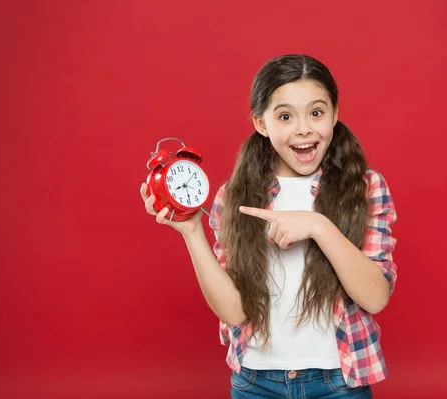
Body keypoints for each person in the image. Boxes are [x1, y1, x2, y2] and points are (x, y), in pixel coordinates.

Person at [140, 54, 398, 398]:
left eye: (317, 113)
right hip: (256, 384)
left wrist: (317, 225)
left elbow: (376, 296)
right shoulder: (234, 197)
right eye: (286, 116)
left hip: (339, 382)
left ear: (335, 115)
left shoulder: (365, 188)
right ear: (261, 123)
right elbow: (234, 311)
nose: (304, 128)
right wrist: (191, 232)